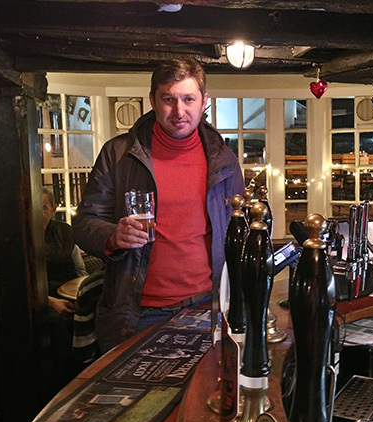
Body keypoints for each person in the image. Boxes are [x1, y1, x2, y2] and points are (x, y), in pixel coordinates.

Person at [73, 57, 244, 352]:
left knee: (206, 384)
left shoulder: (224, 158)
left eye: (188, 99)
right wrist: (113, 235)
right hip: (138, 313)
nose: (179, 111)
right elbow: (83, 224)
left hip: (208, 306)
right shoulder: (118, 154)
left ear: (204, 101)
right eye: (168, 99)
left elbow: (235, 230)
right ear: (153, 100)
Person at [42, 187, 88, 317]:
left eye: (43, 207)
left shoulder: (65, 231)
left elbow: (79, 269)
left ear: (53, 210)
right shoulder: (21, 239)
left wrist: (83, 296)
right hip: (43, 301)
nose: (37, 212)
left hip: (70, 294)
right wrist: (50, 302)